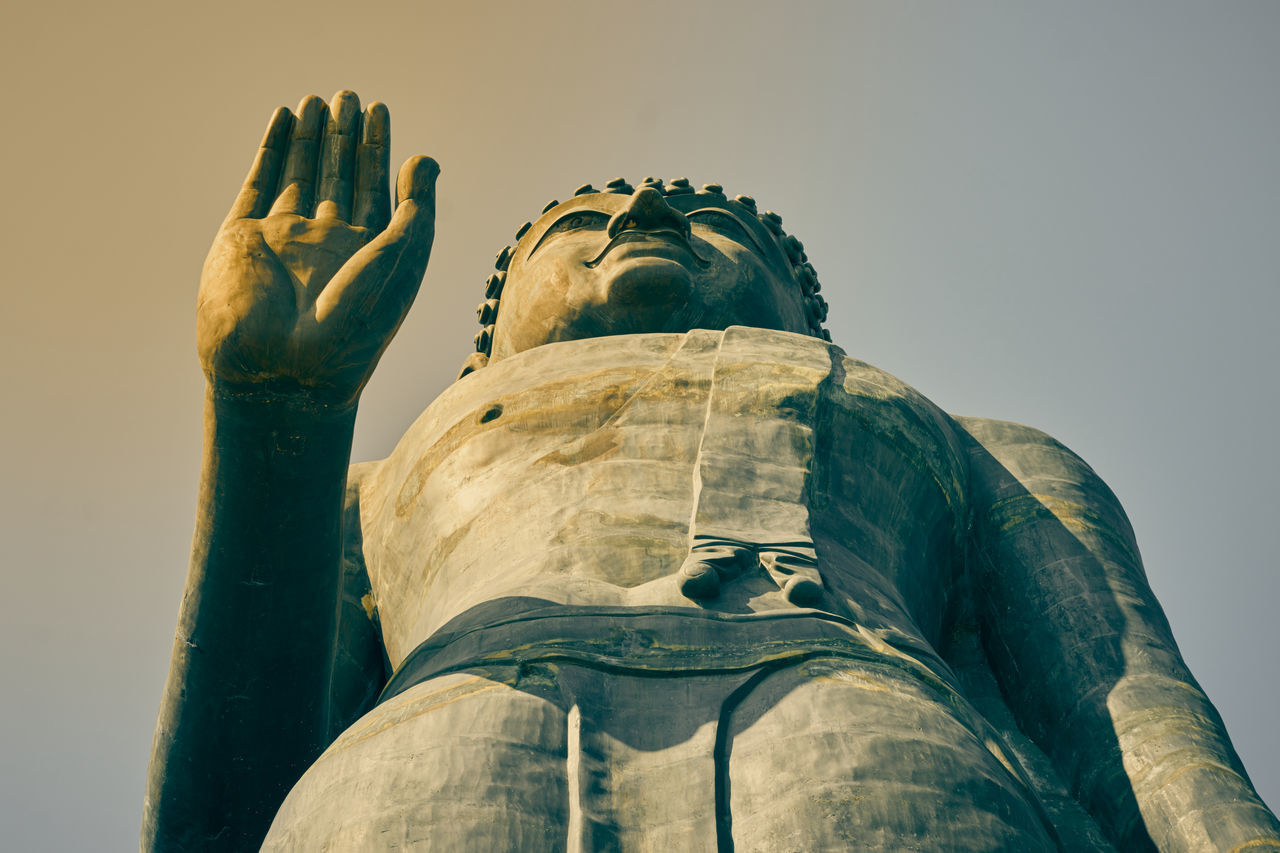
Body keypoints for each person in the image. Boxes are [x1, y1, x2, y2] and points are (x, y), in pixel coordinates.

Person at [143, 91, 1280, 852]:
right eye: (576, 224)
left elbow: (1126, 709)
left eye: (710, 222)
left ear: (805, 317)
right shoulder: (382, 472)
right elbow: (224, 807)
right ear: (486, 345)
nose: (640, 214)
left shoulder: (956, 439)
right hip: (441, 765)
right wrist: (273, 411)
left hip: (860, 751)